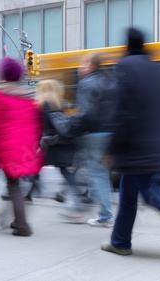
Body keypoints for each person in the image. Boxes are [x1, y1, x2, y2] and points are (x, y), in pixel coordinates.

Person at [101, 27, 160, 256]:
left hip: (137, 148)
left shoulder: (126, 67)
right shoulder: (159, 69)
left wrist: (112, 147)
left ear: (126, 46)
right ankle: (120, 241)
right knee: (129, 193)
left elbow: (124, 112)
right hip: (157, 144)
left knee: (147, 192)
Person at [51, 53, 118, 227]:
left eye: (83, 64)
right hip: (109, 133)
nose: (80, 68)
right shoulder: (110, 82)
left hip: (92, 133)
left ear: (91, 66)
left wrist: (71, 128)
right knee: (97, 173)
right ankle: (89, 209)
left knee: (93, 173)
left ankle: (100, 214)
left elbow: (85, 112)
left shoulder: (86, 83)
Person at [0, 57, 44, 236]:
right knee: (14, 184)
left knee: (13, 185)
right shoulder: (28, 97)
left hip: (7, 149)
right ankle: (15, 219)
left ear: (3, 75)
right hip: (26, 148)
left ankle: (22, 225)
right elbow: (35, 123)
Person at [35, 79, 91, 217]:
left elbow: (44, 126)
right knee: (64, 170)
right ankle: (72, 201)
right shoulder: (59, 103)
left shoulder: (45, 104)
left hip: (56, 143)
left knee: (64, 171)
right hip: (65, 142)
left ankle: (76, 204)